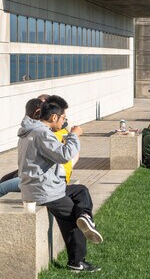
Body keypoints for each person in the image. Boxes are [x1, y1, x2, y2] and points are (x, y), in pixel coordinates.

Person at [17, 98, 103, 273]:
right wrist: (74, 135)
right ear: (54, 117)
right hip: (44, 190)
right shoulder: (42, 133)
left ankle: (86, 217)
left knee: (80, 190)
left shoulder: (30, 131)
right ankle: (77, 262)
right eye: (64, 118)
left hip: (39, 186)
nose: (65, 121)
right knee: (73, 217)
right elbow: (64, 155)